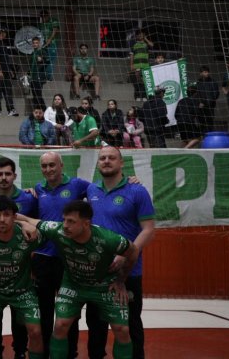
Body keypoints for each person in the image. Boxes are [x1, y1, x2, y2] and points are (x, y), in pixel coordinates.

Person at [15, 201, 140, 359]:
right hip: (73, 285)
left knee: (122, 330)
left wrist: (121, 280)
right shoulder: (58, 230)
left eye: (71, 221)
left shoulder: (109, 239)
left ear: (86, 223)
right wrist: (18, 221)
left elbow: (133, 251)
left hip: (104, 286)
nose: (65, 225)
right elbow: (28, 219)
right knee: (60, 325)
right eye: (64, 220)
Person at [85, 146, 155, 359]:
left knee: (129, 326)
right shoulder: (91, 190)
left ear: (121, 162)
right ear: (98, 163)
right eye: (102, 158)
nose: (106, 161)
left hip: (128, 272)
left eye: (111, 158)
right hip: (97, 272)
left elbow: (149, 229)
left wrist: (127, 254)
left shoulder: (137, 191)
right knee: (96, 328)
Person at [31, 152, 92, 358]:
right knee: (45, 311)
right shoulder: (38, 189)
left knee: (70, 312)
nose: (48, 169)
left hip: (70, 260)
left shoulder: (77, 185)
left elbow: (102, 189)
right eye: (44, 166)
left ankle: (70, 352)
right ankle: (48, 352)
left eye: (52, 165)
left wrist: (130, 179)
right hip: (43, 259)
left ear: (61, 165)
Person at [0, 196, 45, 359]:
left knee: (35, 331)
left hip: (23, 290)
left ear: (14, 216)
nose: (2, 219)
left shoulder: (29, 236)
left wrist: (25, 222)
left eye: (7, 214)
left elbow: (57, 229)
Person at [0, 158, 35, 359]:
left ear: (14, 176)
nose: (3, 178)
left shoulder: (28, 198)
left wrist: (24, 223)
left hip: (20, 269)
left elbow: (35, 227)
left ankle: (20, 351)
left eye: (8, 174)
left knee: (20, 319)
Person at [0, 28, 18, 116]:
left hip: (6, 70)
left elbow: (5, 58)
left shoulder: (3, 43)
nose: (6, 34)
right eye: (5, 32)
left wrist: (10, 70)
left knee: (8, 90)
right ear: (2, 33)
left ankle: (11, 110)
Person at [129, 29, 154, 101]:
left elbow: (152, 45)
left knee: (145, 81)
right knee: (137, 82)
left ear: (144, 35)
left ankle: (144, 96)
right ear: (136, 36)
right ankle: (137, 97)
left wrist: (146, 39)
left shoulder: (146, 44)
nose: (140, 35)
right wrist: (131, 65)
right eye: (138, 34)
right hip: (136, 65)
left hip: (145, 65)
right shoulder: (134, 44)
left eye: (142, 34)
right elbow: (131, 55)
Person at [195, 66, 219, 132]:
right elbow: (197, 94)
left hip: (210, 105)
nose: (207, 73)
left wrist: (206, 102)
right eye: (205, 72)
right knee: (200, 120)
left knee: (210, 121)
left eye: (208, 72)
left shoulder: (213, 82)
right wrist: (199, 102)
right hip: (200, 106)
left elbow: (216, 93)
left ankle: (209, 135)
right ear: (201, 73)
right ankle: (202, 134)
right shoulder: (198, 82)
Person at [39, 9, 60, 80]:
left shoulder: (53, 21)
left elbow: (55, 32)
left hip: (51, 45)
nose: (43, 18)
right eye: (42, 17)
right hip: (43, 45)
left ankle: (48, 77)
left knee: (51, 60)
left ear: (48, 15)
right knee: (42, 60)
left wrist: (49, 41)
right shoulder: (42, 24)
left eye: (45, 16)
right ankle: (41, 76)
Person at [28, 37, 49, 110]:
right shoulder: (32, 53)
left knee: (38, 94)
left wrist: (42, 60)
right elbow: (30, 65)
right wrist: (28, 73)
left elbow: (47, 61)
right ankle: (37, 110)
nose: (35, 44)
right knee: (34, 94)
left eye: (36, 43)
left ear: (39, 43)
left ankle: (44, 110)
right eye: (34, 43)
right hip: (32, 77)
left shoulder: (42, 51)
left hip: (39, 76)